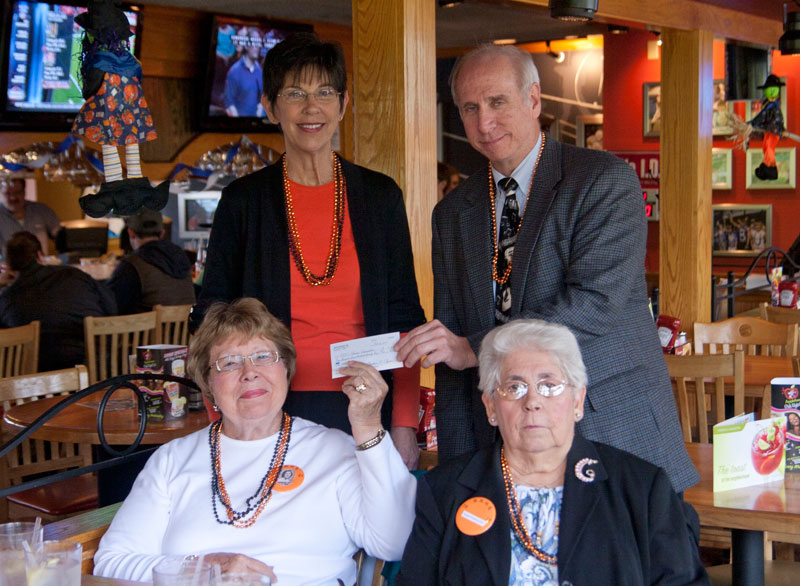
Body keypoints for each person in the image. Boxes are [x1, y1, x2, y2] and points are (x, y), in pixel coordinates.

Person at [395, 44, 697, 493]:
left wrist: (475, 347)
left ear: (534, 99)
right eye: (469, 108)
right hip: (503, 447)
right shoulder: (453, 212)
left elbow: (593, 305)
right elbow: (451, 354)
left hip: (609, 428)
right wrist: (458, 474)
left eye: (498, 102)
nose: (484, 123)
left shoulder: (601, 180)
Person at [199, 34, 426, 469]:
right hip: (267, 407)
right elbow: (214, 320)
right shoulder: (244, 201)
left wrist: (403, 423)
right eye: (295, 94)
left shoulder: (379, 197)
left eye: (325, 92)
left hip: (367, 402)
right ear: (270, 107)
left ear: (342, 105)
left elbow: (404, 318)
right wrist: (223, 421)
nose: (311, 108)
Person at [93, 298, 416, 585]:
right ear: (208, 383)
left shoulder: (334, 450)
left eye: (263, 356)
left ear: (286, 369)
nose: (249, 372)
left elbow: (394, 542)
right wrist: (203, 568)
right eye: (230, 362)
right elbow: (111, 563)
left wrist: (368, 427)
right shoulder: (172, 460)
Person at [396, 319, 709, 586]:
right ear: (491, 407)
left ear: (576, 401)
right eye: (514, 387)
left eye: (549, 385)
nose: (532, 401)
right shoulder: (444, 492)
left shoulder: (642, 488)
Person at [71, 0, 167, 218]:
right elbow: (138, 79)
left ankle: (113, 184)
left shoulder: (97, 63)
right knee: (131, 143)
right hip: (133, 109)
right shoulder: (133, 62)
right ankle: (136, 179)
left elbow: (90, 90)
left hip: (107, 111)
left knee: (109, 145)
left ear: (95, 37)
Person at [0, 231, 116, 371]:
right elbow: (112, 308)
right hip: (97, 367)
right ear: (39, 256)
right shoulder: (74, 274)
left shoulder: (8, 298)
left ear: (8, 266)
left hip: (41, 378)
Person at [107, 208, 195, 314]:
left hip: (150, 330)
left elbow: (111, 306)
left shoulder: (131, 265)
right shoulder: (182, 257)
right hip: (184, 329)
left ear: (131, 233)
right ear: (162, 233)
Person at [0, 178, 61, 255]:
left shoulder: (41, 210)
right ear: (1, 193)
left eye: (17, 192)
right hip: (9, 266)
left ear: (24, 192)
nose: (13, 198)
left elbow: (60, 236)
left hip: (41, 265)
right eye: (8, 193)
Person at [224, 28, 266, 117]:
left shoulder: (260, 72)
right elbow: (230, 104)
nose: (257, 47)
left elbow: (262, 101)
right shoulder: (234, 71)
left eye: (259, 44)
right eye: (254, 43)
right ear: (246, 46)